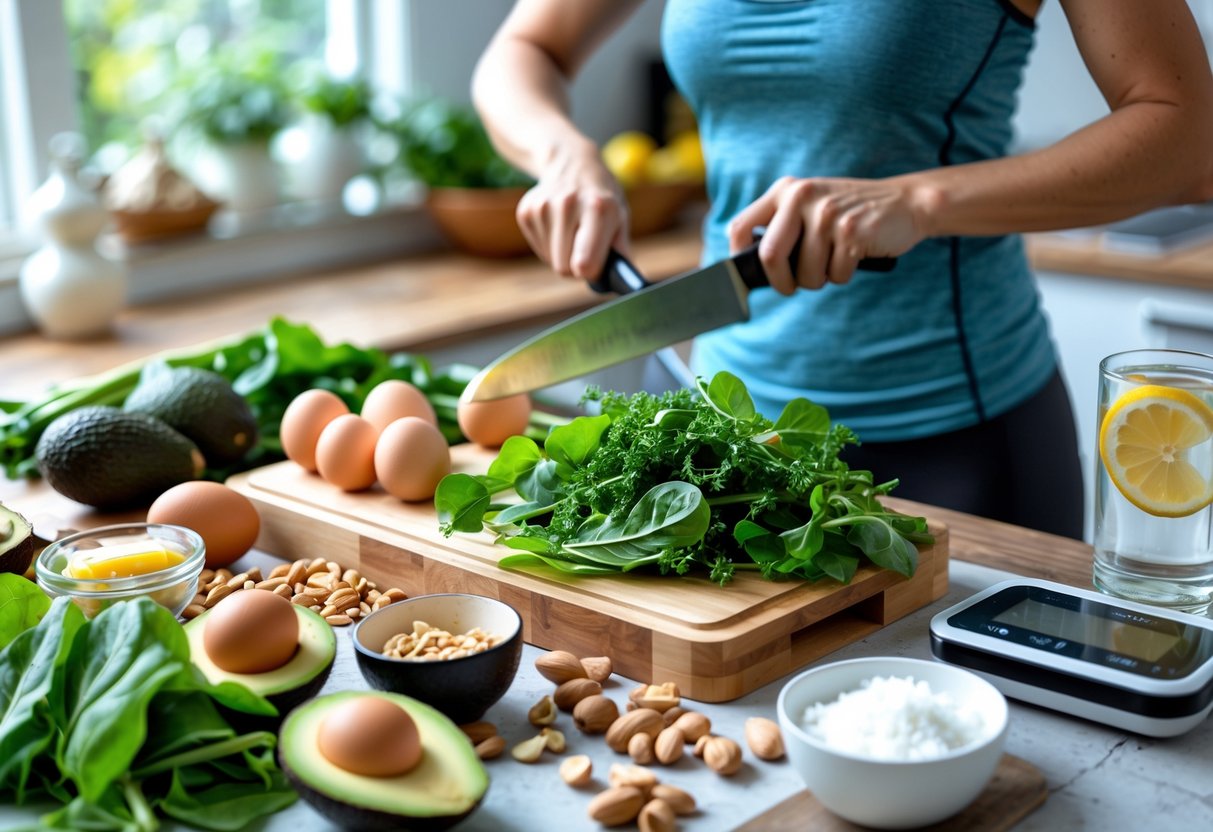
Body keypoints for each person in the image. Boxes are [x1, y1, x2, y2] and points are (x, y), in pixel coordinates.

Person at [470, 0, 1213, 540]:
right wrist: (560, 152)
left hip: (950, 438)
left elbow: (1189, 143)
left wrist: (918, 201)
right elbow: (525, 47)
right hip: (712, 413)